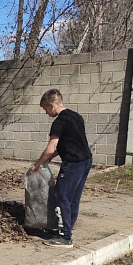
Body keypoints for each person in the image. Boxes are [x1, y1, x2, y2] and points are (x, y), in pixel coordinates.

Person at [27, 88, 92, 248]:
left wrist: (37, 164)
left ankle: (65, 237)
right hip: (86, 161)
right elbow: (62, 147)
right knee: (73, 198)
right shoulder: (76, 116)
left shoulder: (60, 121)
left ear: (51, 105)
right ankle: (67, 227)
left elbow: (51, 148)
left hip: (74, 164)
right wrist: (46, 161)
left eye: (45, 109)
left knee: (61, 196)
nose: (46, 113)